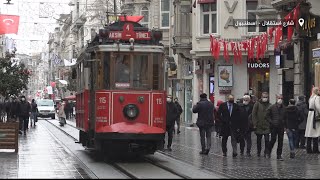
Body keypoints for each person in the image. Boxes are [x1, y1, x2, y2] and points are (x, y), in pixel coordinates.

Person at [266, 95, 286, 161]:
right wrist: (271, 122)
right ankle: (268, 152)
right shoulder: (272, 107)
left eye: (281, 98)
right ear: (276, 99)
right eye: (279, 98)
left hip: (281, 126)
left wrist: (285, 124)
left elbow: (286, 117)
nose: (280, 99)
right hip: (274, 126)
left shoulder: (284, 108)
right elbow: (267, 116)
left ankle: (279, 155)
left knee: (281, 141)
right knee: (273, 140)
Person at [252, 92, 271, 157]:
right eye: (264, 97)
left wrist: (270, 123)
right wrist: (255, 123)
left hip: (267, 125)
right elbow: (253, 114)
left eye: (266, 97)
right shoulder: (257, 104)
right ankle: (258, 151)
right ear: (261, 97)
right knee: (259, 140)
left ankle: (266, 151)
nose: (265, 98)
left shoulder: (270, 105)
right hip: (259, 125)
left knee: (267, 140)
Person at [305, 87, 320, 154]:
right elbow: (318, 107)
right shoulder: (317, 97)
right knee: (315, 133)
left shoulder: (311, 98)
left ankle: (308, 149)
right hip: (315, 116)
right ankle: (315, 149)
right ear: (317, 91)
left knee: (309, 133)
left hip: (310, 115)